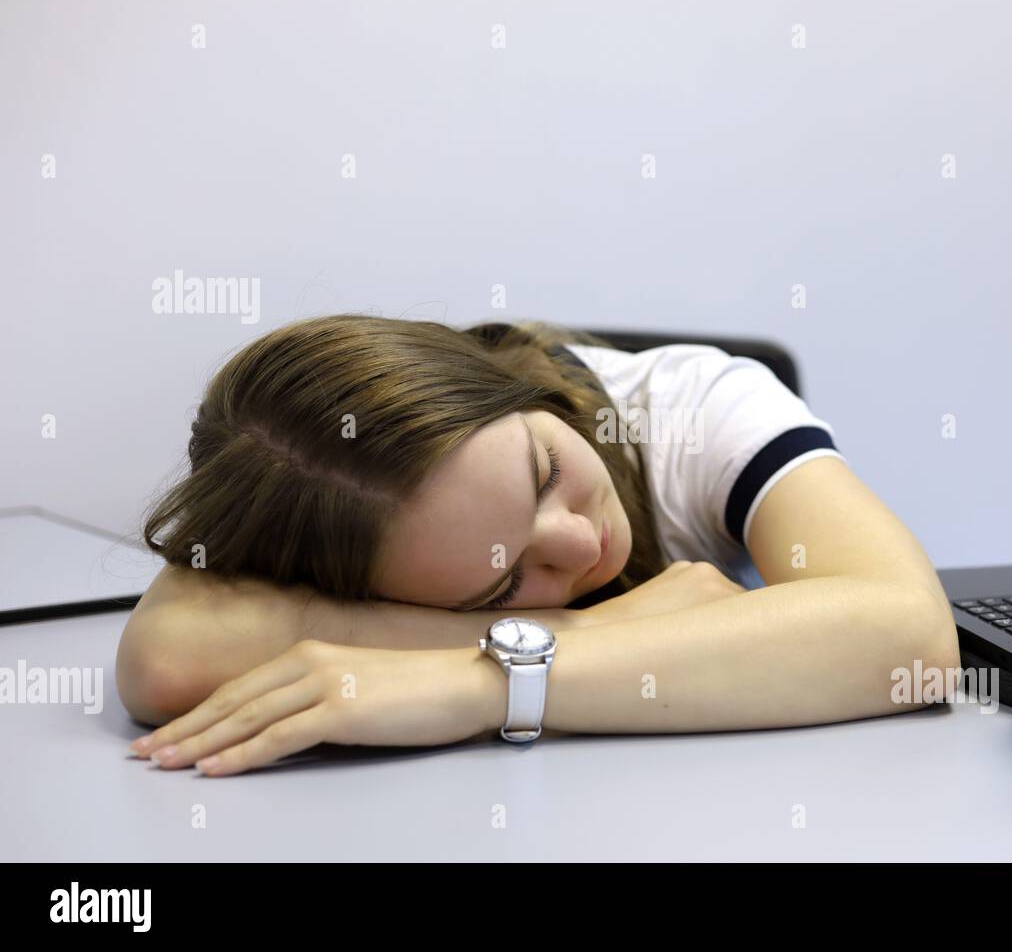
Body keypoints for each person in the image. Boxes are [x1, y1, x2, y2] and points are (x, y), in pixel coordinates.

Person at [118, 314, 958, 776]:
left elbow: (909, 636)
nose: (580, 541)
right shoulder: (351, 506)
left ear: (510, 391)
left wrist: (482, 684)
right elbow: (164, 656)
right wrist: (587, 634)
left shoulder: (697, 406)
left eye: (545, 470)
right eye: (503, 584)